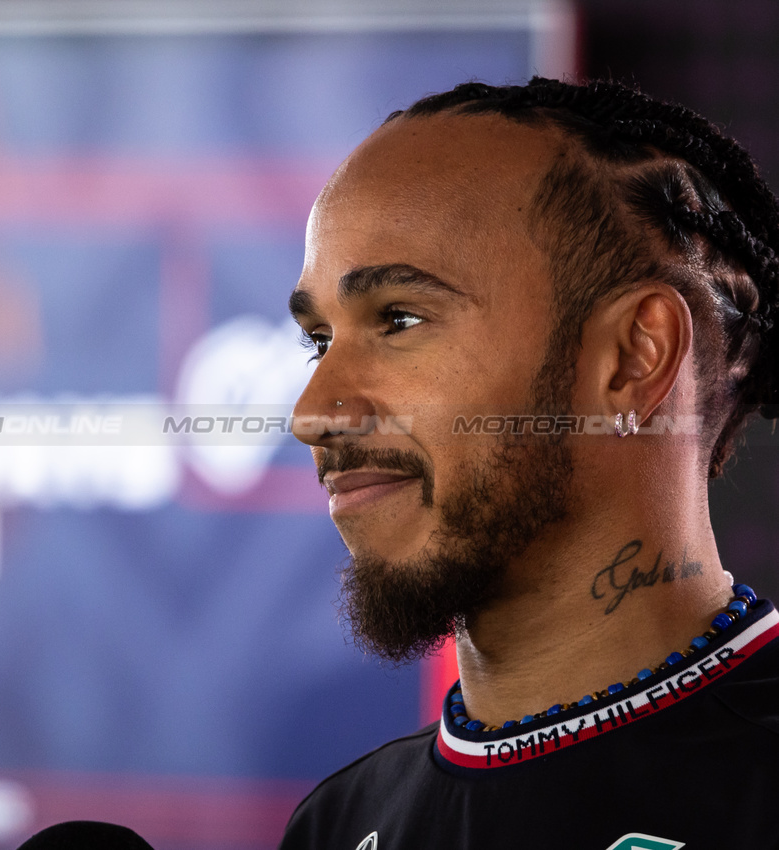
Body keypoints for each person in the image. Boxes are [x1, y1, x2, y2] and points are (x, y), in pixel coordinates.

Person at [280, 77, 779, 849]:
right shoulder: (336, 825)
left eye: (399, 319)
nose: (312, 413)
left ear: (633, 358)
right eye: (319, 340)